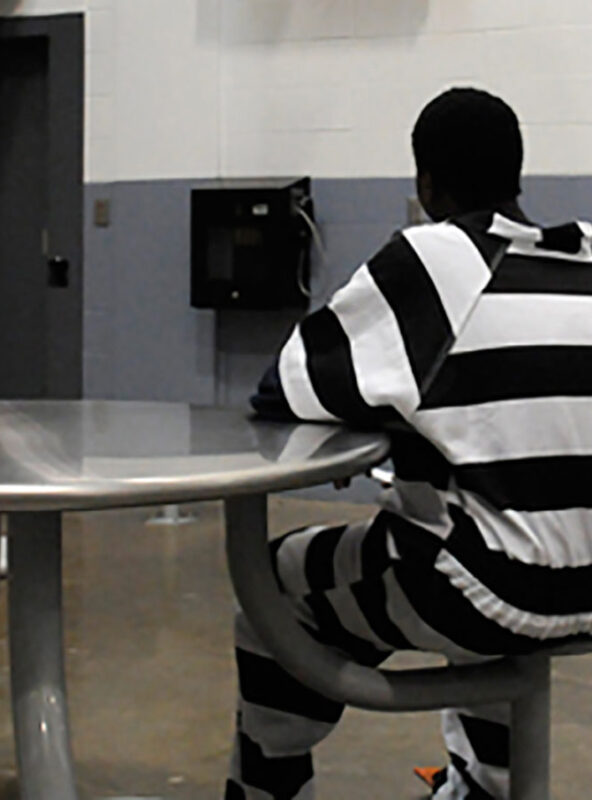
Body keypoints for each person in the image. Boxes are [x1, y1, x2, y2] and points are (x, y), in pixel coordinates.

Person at [224, 87, 592, 800]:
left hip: (487, 591)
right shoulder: (585, 261)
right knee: (483, 538)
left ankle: (268, 789)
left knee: (269, 588)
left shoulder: (436, 259)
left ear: (424, 183)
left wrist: (391, 418)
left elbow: (283, 388)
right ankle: (483, 785)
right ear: (518, 175)